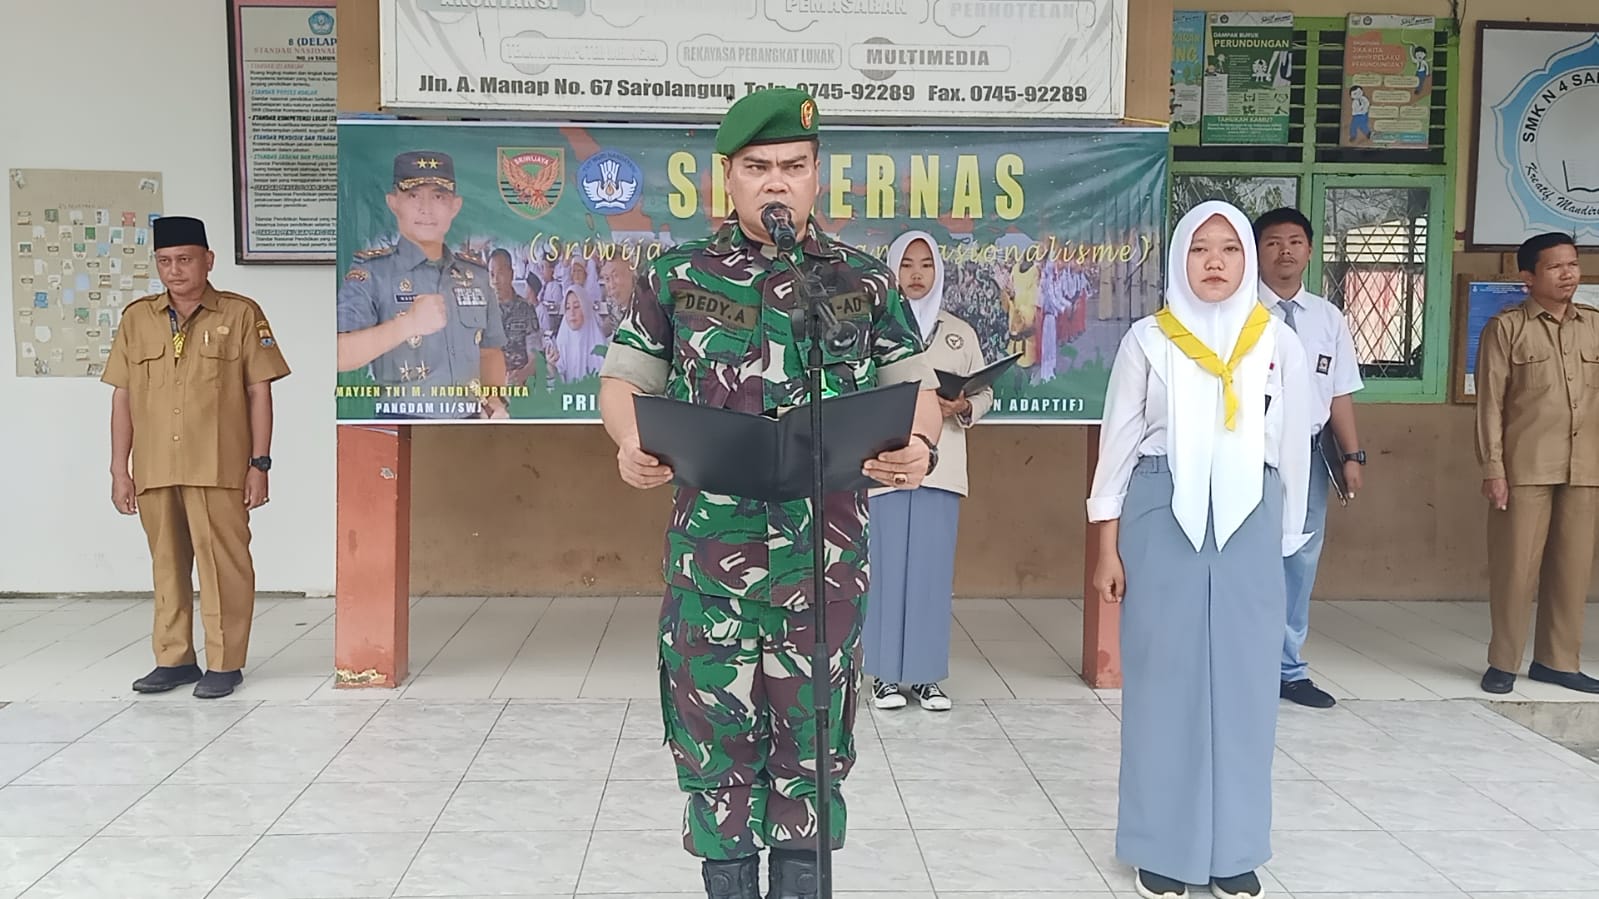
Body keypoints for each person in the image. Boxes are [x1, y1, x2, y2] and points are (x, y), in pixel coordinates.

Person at [596, 88, 942, 899]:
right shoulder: (678, 274)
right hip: (710, 561)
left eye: (793, 166)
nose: (775, 183)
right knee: (713, 746)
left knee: (813, 749)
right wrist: (629, 444)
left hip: (823, 564)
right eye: (758, 168)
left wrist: (918, 443)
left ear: (818, 176)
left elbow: (911, 385)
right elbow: (625, 381)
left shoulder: (858, 281)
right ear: (729, 178)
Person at [1088, 201, 1312, 899]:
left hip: (1252, 514)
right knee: (1165, 681)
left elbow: (1294, 451)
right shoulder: (1147, 340)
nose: (1214, 261)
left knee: (1245, 685)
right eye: (1198, 249)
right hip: (1161, 511)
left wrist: (1284, 542)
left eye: (1228, 248)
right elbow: (1117, 447)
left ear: (1246, 260)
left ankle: (1234, 846)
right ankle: (1163, 846)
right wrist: (1105, 546)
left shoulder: (1277, 341)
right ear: (1179, 259)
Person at [101, 216, 291, 699]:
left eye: (185, 259)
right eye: (165, 261)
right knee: (166, 564)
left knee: (223, 565)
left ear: (208, 260)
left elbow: (259, 392)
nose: (174, 270)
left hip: (219, 465)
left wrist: (260, 463)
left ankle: (225, 663)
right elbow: (122, 396)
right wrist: (118, 468)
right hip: (156, 467)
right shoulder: (136, 318)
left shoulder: (240, 314)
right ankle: (174, 659)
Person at [866, 231, 993, 712]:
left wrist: (963, 405)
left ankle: (926, 679)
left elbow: (984, 393)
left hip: (944, 468)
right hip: (886, 467)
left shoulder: (960, 332)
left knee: (931, 576)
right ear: (892, 272)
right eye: (907, 266)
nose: (917, 275)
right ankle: (882, 676)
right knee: (884, 572)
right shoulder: (877, 330)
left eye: (925, 265)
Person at [1475, 232, 1599, 695]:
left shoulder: (1594, 324)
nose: (1568, 273)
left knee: (1572, 569)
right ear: (1527, 277)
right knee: (1515, 569)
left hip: (1585, 466)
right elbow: (1491, 405)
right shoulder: (1506, 329)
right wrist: (1493, 468)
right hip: (1524, 468)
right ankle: (1503, 660)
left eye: (1572, 264)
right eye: (1555, 266)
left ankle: (1557, 661)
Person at [1254, 207, 1366, 710]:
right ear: (1257, 251)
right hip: (1250, 453)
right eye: (1274, 242)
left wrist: (1352, 455)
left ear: (1309, 249)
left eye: (1295, 241)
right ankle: (1243, 662)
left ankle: (1289, 669)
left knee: (1298, 559)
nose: (1285, 251)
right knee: (1247, 556)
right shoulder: (1238, 314)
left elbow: (1339, 392)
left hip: (1311, 452)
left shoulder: (1327, 317)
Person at [335, 150, 509, 419]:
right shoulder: (372, 274)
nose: (426, 208)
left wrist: (495, 400)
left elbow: (489, 353)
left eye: (438, 196)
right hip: (403, 425)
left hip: (470, 426)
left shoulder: (476, 275)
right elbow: (339, 355)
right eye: (413, 195)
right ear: (393, 203)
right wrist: (408, 324)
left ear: (455, 206)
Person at [490, 247, 541, 387]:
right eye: (492, 274)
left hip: (520, 388)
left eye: (500, 273)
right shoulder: (483, 311)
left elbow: (536, 356)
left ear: (511, 274)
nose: (495, 280)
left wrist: (523, 374)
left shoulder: (526, 310)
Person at [548, 284, 606, 382]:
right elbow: (557, 383)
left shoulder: (600, 344)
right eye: (567, 308)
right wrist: (551, 366)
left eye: (576, 306)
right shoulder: (562, 340)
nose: (572, 313)